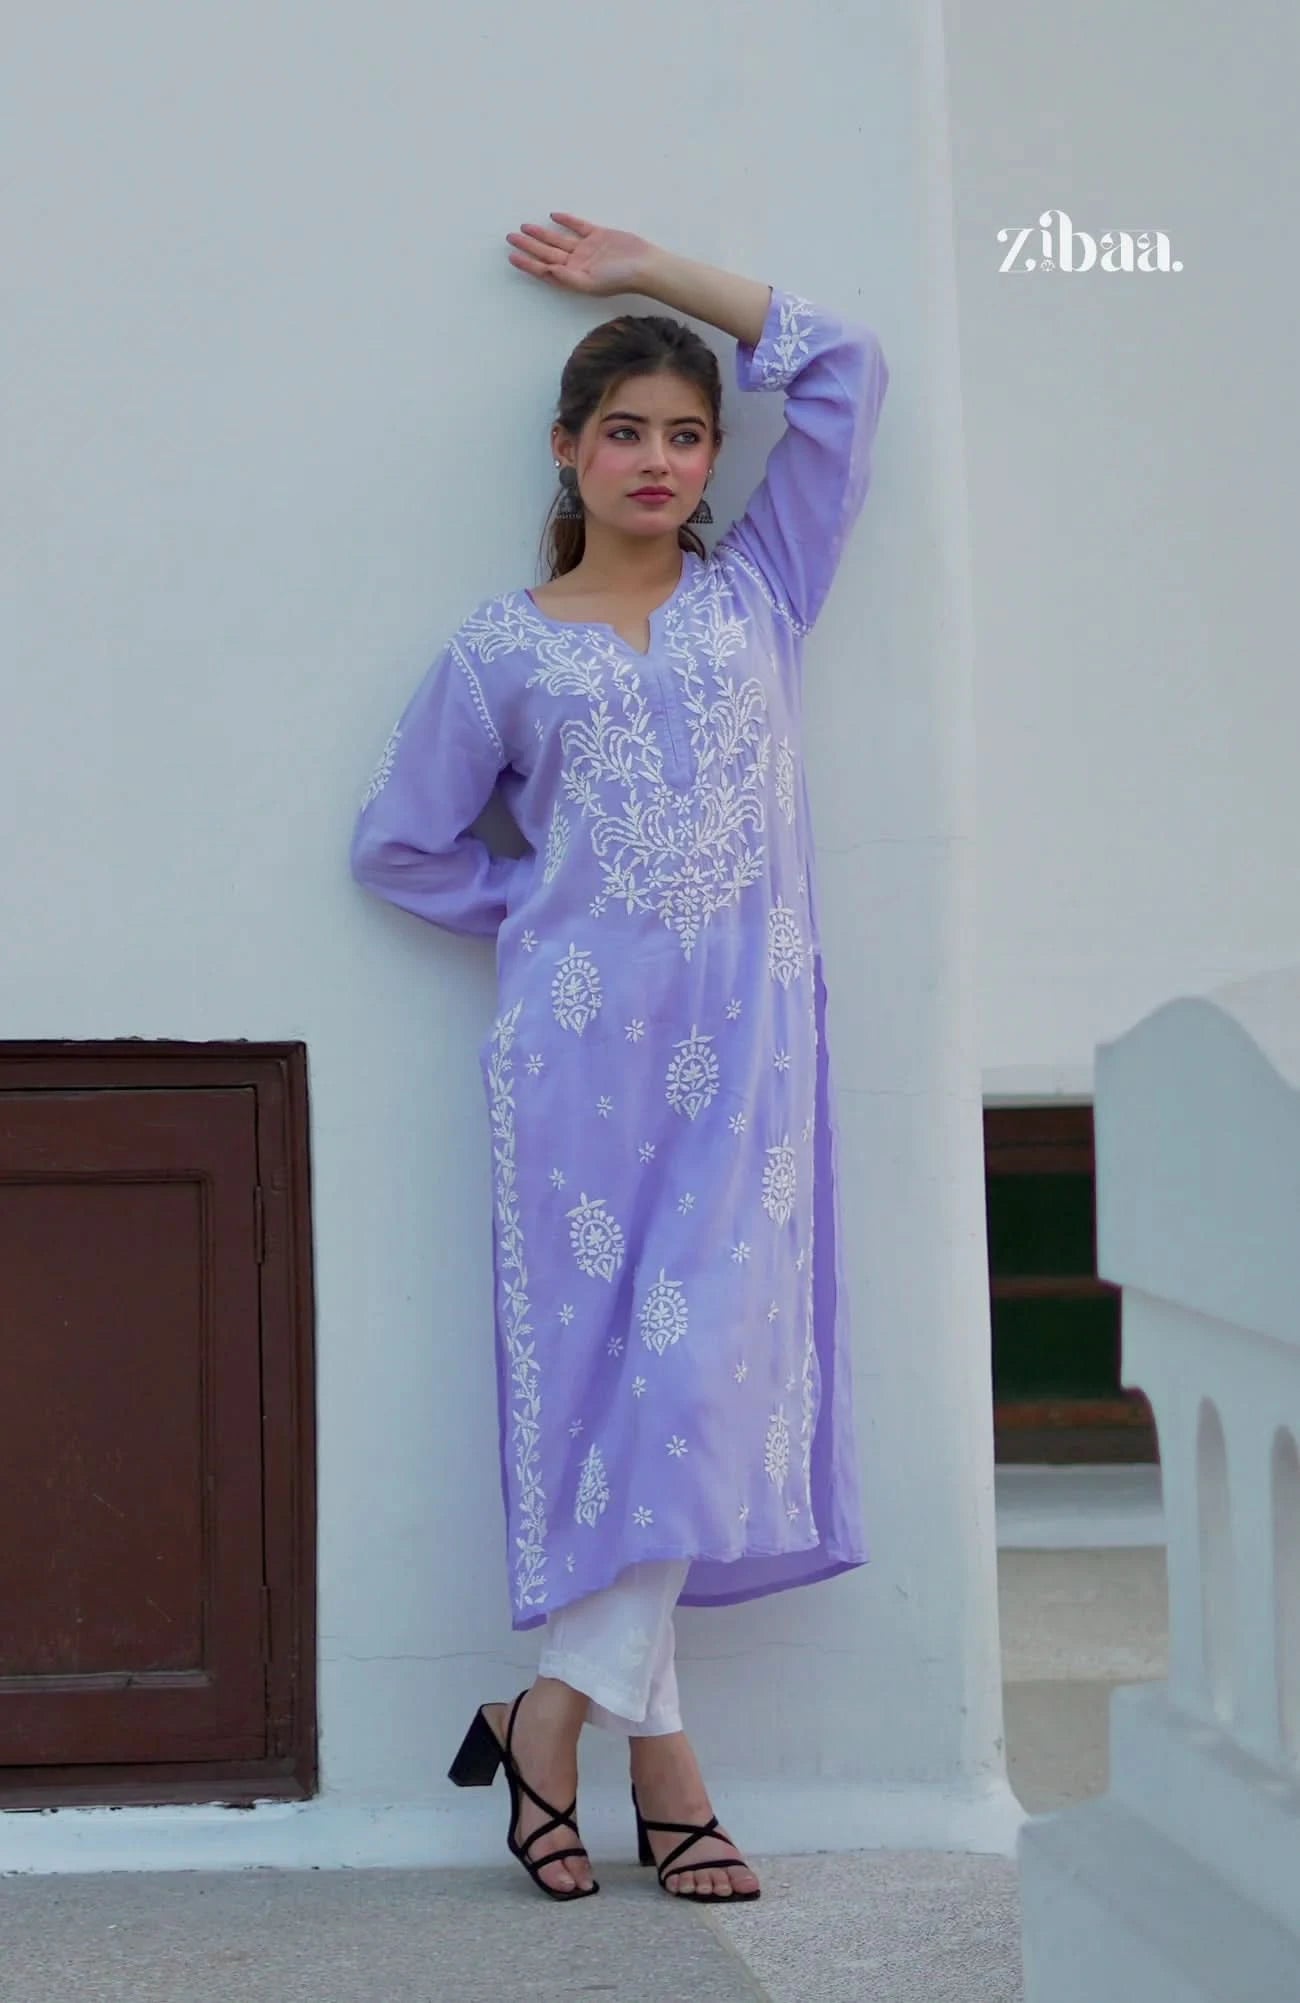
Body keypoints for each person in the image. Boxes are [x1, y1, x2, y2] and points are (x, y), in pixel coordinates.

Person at [351, 213, 890, 1903]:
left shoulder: (763, 596)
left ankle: (545, 1725)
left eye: (684, 431)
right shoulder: (501, 651)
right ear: (570, 452)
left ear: (714, 459)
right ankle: (671, 1780)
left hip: (747, 1074)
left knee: (688, 1397)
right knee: (622, 1412)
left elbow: (852, 369)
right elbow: (401, 848)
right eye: (624, 430)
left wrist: (657, 268)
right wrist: (550, 920)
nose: (656, 459)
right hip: (575, 1082)